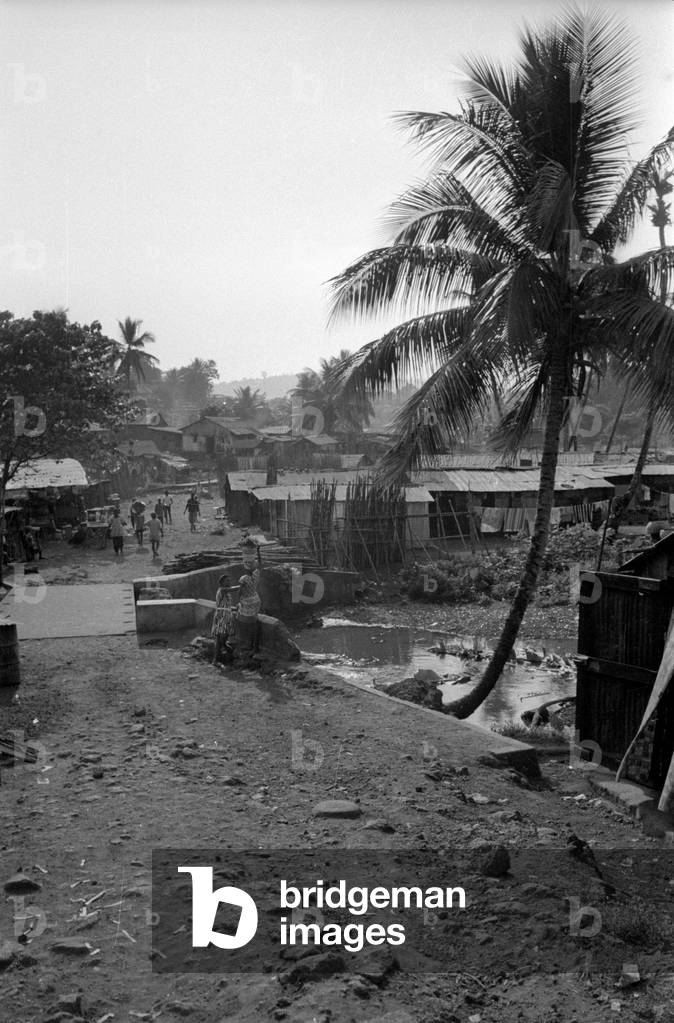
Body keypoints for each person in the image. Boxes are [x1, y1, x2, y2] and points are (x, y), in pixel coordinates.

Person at [211, 574, 237, 665]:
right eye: (227, 581)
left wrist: (234, 608)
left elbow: (226, 606)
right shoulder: (222, 590)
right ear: (221, 583)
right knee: (222, 636)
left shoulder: (226, 593)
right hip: (222, 616)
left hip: (225, 614)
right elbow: (232, 589)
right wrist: (243, 586)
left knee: (220, 638)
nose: (229, 582)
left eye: (230, 581)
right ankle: (227, 650)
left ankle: (215, 659)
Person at [235, 569, 261, 653]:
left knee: (241, 621)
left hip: (247, 602)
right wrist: (258, 555)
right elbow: (260, 564)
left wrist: (239, 601)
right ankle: (255, 646)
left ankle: (245, 643)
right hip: (256, 600)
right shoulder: (256, 575)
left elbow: (239, 591)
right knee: (255, 623)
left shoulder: (244, 578)